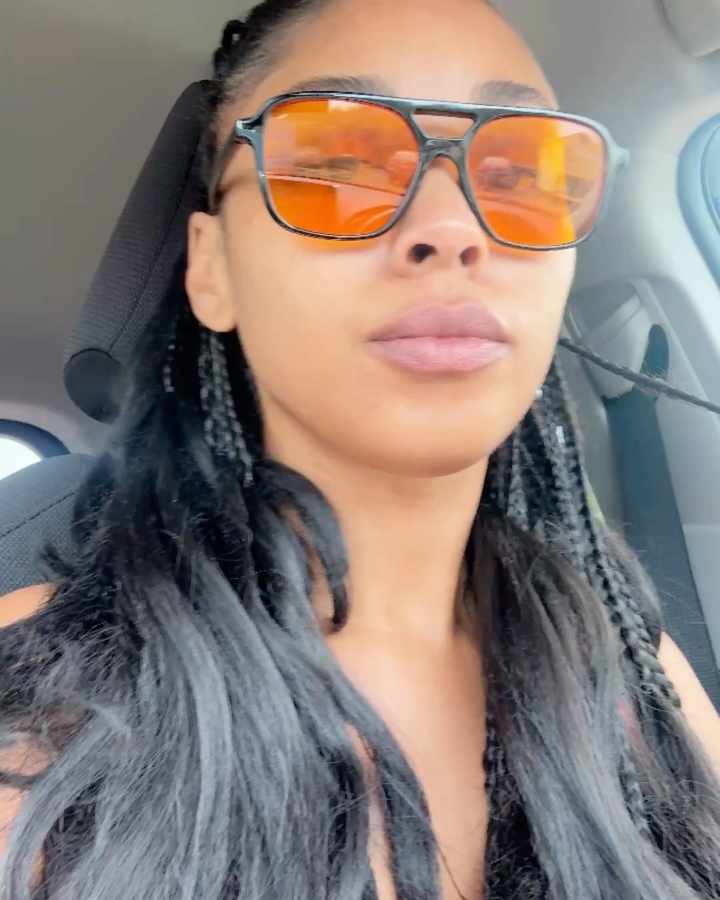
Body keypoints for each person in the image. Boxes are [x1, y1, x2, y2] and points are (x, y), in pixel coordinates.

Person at [1, 0, 719, 897]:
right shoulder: (46, 701)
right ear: (212, 268)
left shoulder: (638, 673)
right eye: (336, 165)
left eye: (519, 171)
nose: (452, 227)